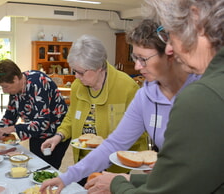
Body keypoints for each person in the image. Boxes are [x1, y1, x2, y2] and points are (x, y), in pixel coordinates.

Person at [40, 19, 201, 194]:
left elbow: (198, 168)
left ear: (169, 53)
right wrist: (67, 177)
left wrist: (129, 179)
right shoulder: (144, 96)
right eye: (135, 58)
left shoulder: (200, 93)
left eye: (143, 59)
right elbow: (114, 144)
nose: (138, 66)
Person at [88, 0, 224, 193]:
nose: (169, 49)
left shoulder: (202, 97)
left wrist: (117, 184)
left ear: (195, 20)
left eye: (172, 35)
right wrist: (132, 180)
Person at [40, 34, 148, 185]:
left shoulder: (127, 87)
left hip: (114, 167)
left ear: (99, 67)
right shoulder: (78, 86)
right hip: (84, 163)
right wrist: (58, 136)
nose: (76, 77)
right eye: (74, 71)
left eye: (81, 72)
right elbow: (71, 117)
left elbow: (140, 132)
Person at [0, 59, 69, 169]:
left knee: (46, 170)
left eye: (5, 86)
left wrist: (13, 128)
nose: (4, 91)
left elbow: (43, 122)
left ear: (15, 79)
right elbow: (10, 114)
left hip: (55, 134)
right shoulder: (15, 89)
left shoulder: (38, 83)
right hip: (35, 132)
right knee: (34, 166)